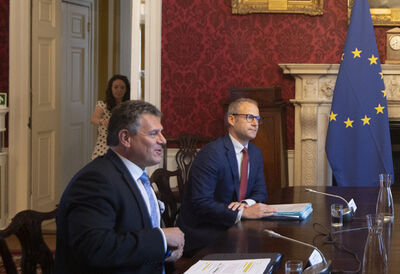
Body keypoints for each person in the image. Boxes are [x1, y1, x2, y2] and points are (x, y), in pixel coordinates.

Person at [56, 100, 184, 273]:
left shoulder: (137, 176)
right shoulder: (96, 180)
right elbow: (95, 248)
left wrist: (165, 250)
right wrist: (161, 238)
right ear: (125, 138)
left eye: (161, 133)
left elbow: (134, 234)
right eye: (154, 134)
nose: (163, 140)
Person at [178, 98, 274, 254]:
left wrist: (245, 204)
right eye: (249, 117)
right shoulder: (211, 153)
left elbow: (261, 192)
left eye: (258, 118)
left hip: (236, 227)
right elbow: (201, 203)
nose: (255, 123)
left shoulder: (255, 153)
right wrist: (242, 213)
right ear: (231, 119)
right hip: (207, 233)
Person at [90, 74, 130, 159]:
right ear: (111, 89)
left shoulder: (129, 107)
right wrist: (102, 122)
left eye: (122, 88)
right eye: (116, 87)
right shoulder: (102, 104)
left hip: (123, 146)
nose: (119, 90)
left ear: (126, 90)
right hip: (104, 145)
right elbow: (93, 119)